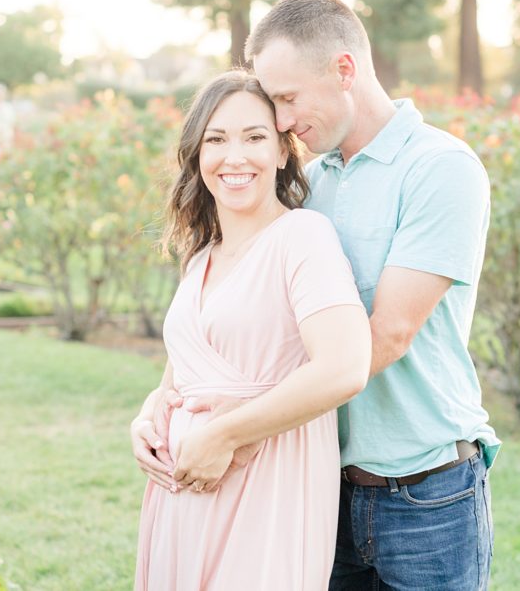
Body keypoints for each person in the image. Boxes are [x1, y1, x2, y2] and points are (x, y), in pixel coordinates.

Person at [136, 0, 501, 589]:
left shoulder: (441, 168)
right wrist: (167, 405)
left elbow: (385, 335)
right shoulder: (310, 180)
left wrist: (240, 425)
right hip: (320, 478)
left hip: (423, 489)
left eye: (286, 98)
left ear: (345, 70)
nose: (281, 122)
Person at [132, 70, 372, 590]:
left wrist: (221, 434)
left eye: (255, 137)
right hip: (182, 494)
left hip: (268, 483)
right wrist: (151, 415)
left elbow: (345, 367)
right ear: (197, 154)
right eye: (216, 139)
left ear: (284, 152)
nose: (233, 156)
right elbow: (185, 369)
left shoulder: (302, 237)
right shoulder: (201, 257)